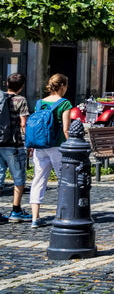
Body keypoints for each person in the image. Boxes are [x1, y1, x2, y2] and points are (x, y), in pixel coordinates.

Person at [29, 73, 73, 228]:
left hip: (40, 146)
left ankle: (35, 217)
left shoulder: (39, 103)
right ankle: (64, 213)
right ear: (62, 86)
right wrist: (72, 147)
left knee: (38, 180)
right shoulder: (64, 103)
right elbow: (66, 129)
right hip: (57, 145)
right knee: (65, 179)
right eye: (66, 85)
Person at [0, 73, 30, 223]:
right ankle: (16, 210)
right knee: (19, 178)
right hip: (14, 144)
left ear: (7, 83)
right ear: (22, 86)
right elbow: (24, 124)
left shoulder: (0, 98)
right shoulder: (21, 100)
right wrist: (29, 143)